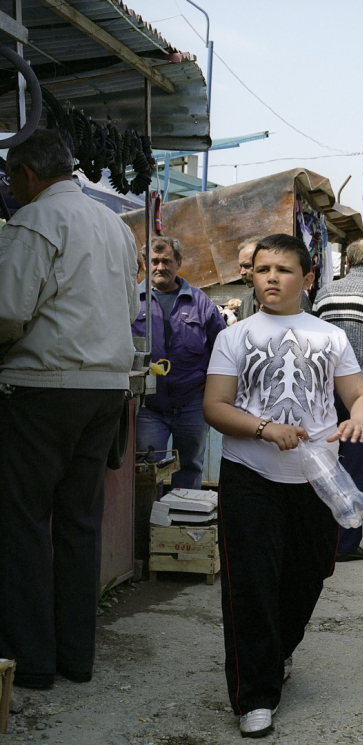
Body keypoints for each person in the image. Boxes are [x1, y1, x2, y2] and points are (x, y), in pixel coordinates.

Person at [204, 233, 363, 738]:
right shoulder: (234, 337)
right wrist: (263, 428)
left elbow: (359, 394)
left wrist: (359, 419)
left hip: (315, 479)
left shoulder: (330, 336)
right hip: (251, 475)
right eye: (262, 270)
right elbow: (215, 406)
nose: (271, 278)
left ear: (307, 279)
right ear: (251, 277)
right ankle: (254, 696)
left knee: (307, 576)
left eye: (282, 270)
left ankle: (275, 652)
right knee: (250, 585)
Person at [0, 128, 138, 689]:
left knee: (23, 521)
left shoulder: (34, 220)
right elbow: (129, 306)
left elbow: (8, 313)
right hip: (105, 390)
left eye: (10, 178)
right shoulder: (112, 223)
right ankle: (75, 657)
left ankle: (30, 662)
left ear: (28, 175)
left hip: (44, 388)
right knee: (79, 524)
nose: (10, 188)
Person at [312, 238, 363, 561]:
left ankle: (323, 536)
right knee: (359, 467)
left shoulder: (325, 293)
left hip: (325, 389)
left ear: (348, 261)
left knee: (325, 462)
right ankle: (346, 542)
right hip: (361, 393)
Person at [133, 236, 227, 489]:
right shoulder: (131, 301)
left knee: (191, 465)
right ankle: (150, 524)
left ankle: (186, 523)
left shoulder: (200, 302)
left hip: (192, 403)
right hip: (148, 406)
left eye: (167, 261)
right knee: (148, 468)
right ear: (145, 264)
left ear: (179, 263)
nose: (160, 267)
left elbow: (223, 348)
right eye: (154, 261)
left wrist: (211, 389)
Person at [237, 235, 264, 318]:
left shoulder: (291, 299)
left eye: (247, 266)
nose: (242, 272)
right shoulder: (246, 304)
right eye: (241, 266)